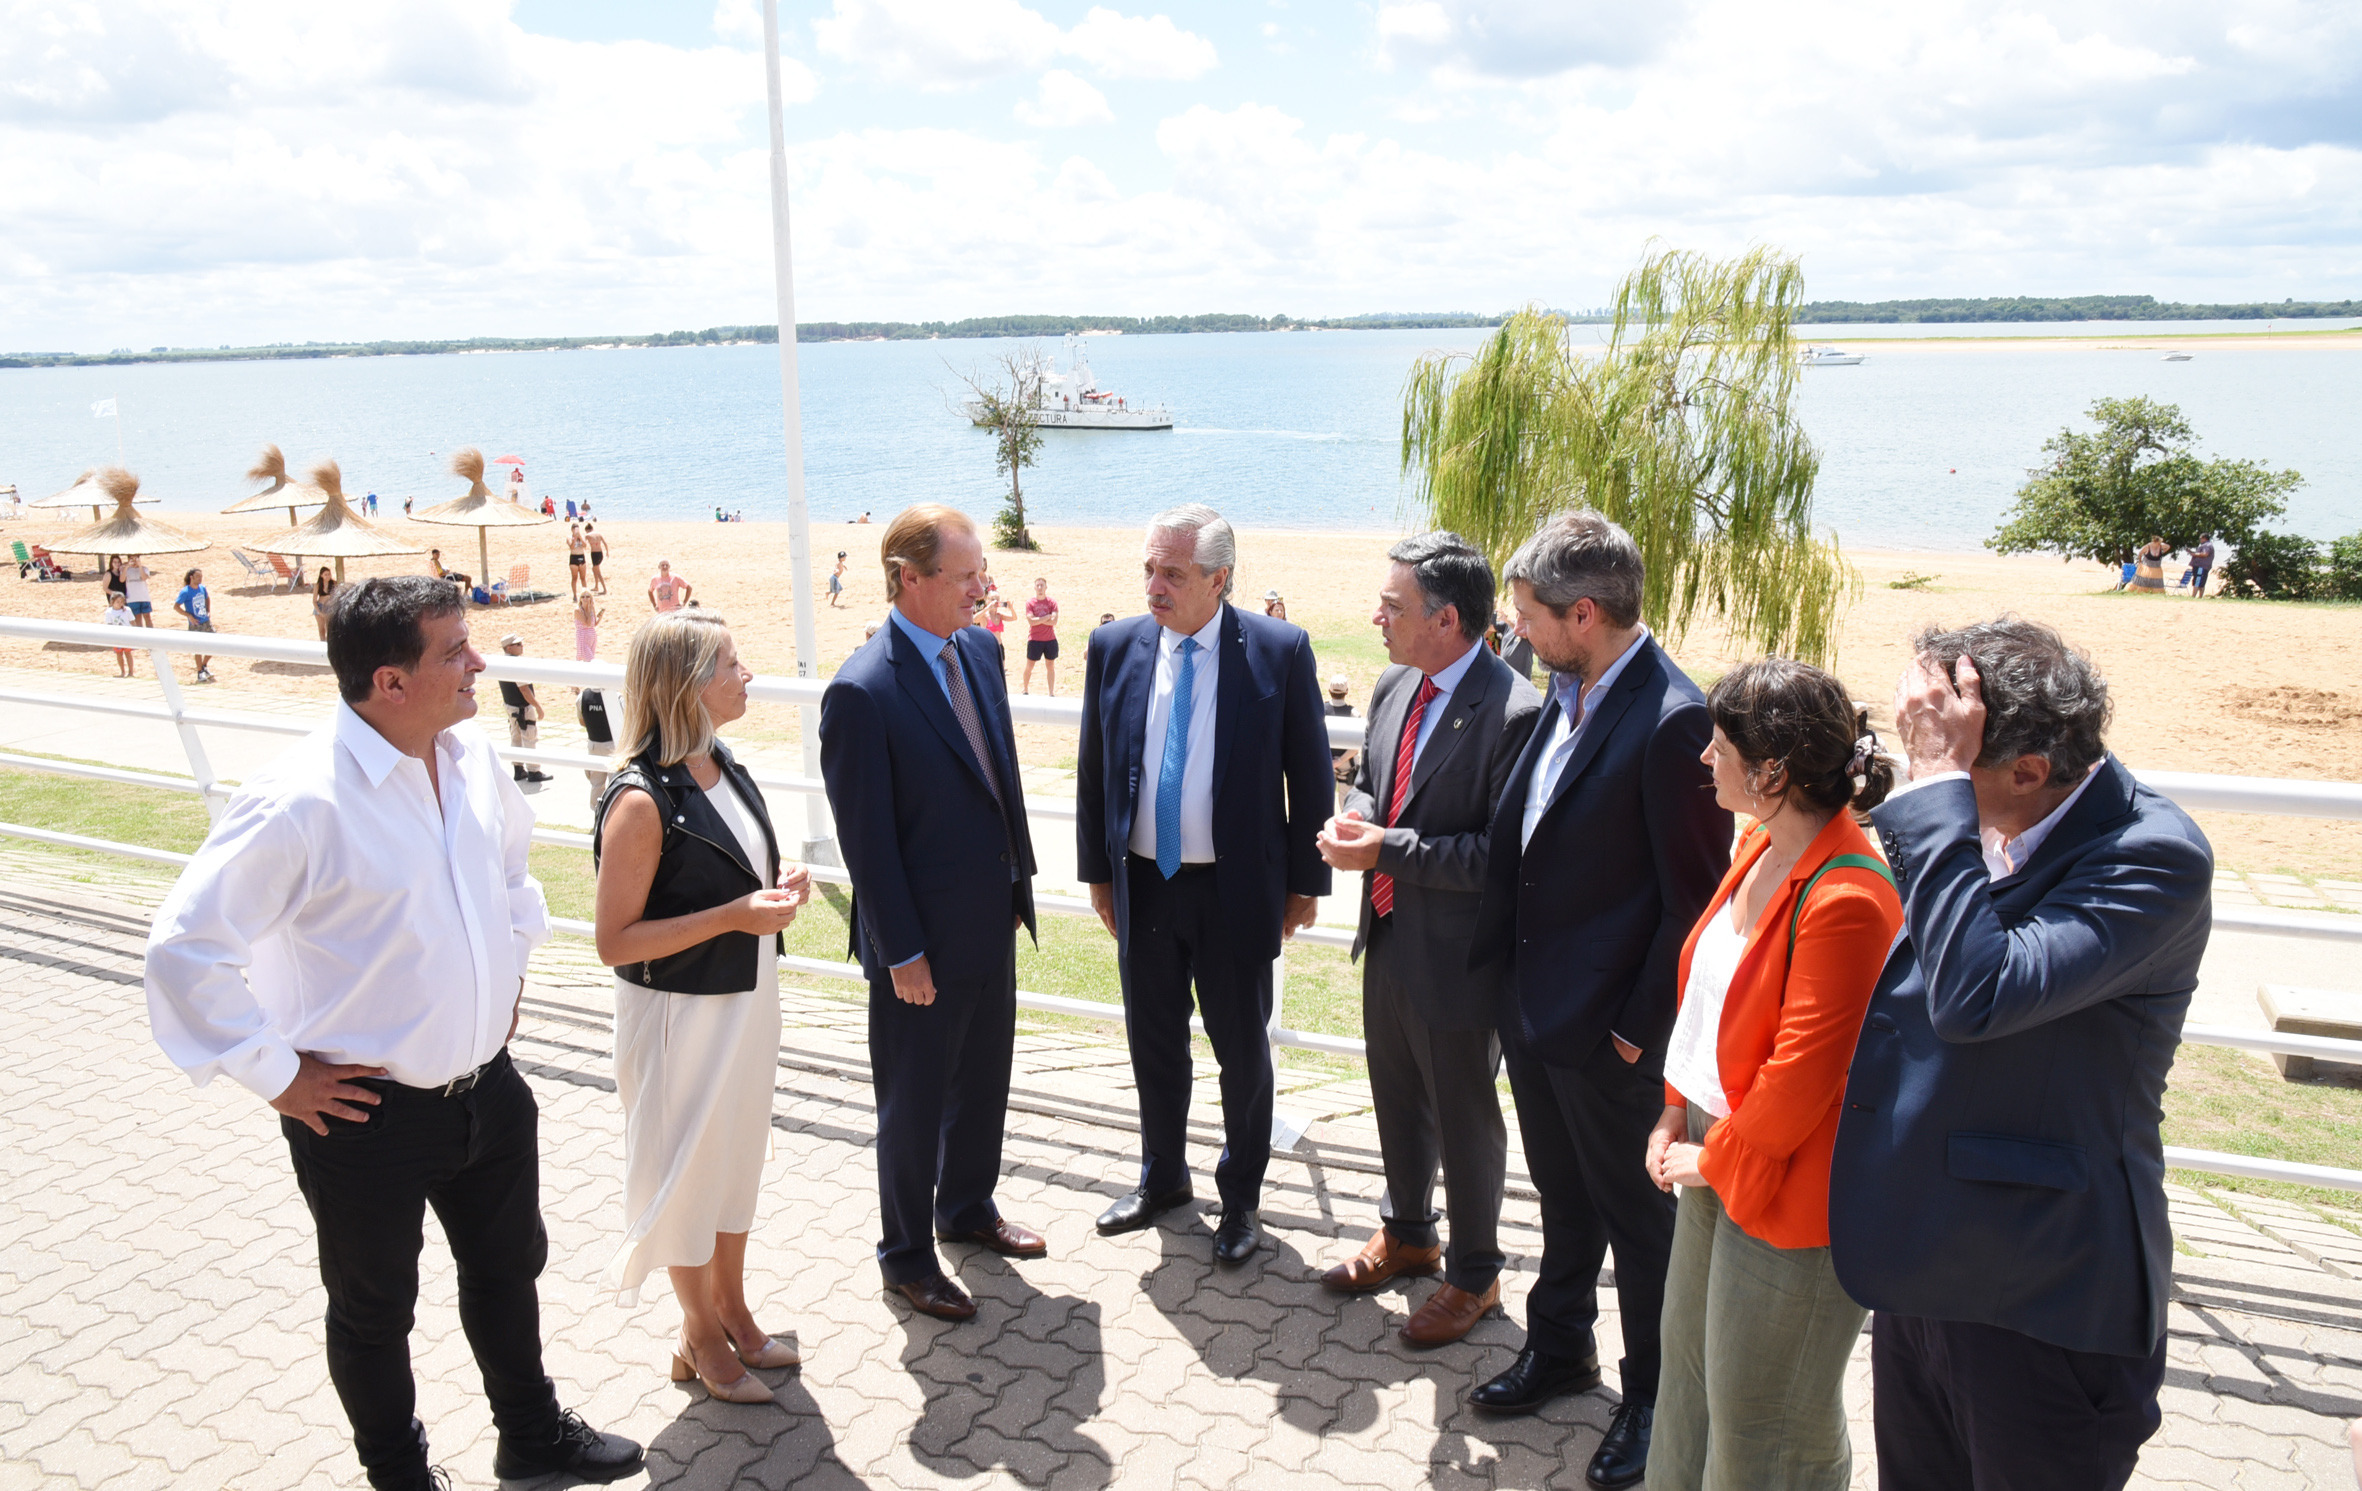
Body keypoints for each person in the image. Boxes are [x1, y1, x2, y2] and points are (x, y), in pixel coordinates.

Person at [143, 575, 644, 1491]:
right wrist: (277, 1075)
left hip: (488, 1090)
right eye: (454, 650)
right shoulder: (300, 800)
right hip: (363, 1115)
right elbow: (183, 948)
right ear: (388, 681)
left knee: (507, 1272)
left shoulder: (471, 758)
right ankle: (398, 1477)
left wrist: (510, 973)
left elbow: (510, 879)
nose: (478, 663)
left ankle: (529, 1436)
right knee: (374, 1312)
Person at [1828, 618, 2214, 1491]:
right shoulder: (2004, 815)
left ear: (2029, 771)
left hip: (2041, 1295)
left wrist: (1935, 795)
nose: (1917, 764)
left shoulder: (2152, 856)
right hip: (1927, 1263)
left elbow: (1977, 994)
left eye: (1944, 750)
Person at [1464, 511, 1730, 1490]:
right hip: (1534, 1016)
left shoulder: (1671, 722)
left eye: (1527, 615)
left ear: (1584, 614)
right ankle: (1561, 1349)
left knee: (1641, 1228)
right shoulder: (1563, 690)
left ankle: (1655, 1401)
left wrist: (1630, 1036)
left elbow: (1692, 903)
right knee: (1564, 1201)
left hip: (1609, 1036)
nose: (1515, 632)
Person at [1644, 658, 1903, 1491]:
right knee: (1686, 1383)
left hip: (1793, 1186)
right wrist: (1675, 1113)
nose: (1703, 760)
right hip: (1716, 1152)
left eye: (1719, 747)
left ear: (1773, 770)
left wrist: (1712, 1156)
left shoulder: (1850, 896)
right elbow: (1708, 996)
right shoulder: (1758, 842)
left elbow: (1801, 1074)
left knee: (1766, 1422)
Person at [1076, 504, 1333, 1264]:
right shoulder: (1115, 644)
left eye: (1173, 573)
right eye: (1150, 569)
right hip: (1144, 888)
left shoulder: (1279, 651)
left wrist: (1306, 881)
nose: (1155, 585)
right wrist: (1098, 872)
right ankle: (1163, 1178)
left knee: (1242, 1054)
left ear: (1220, 579)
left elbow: (1310, 774)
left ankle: (1242, 1199)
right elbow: (1094, 768)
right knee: (1153, 1042)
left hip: (1236, 892)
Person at [819, 504, 1046, 1323]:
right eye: (966, 576)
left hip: (991, 916)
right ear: (909, 579)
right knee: (912, 1106)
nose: (983, 589)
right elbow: (868, 847)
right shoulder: (861, 690)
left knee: (984, 1084)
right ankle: (907, 1254)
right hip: (918, 945)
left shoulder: (981, 650)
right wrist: (903, 951)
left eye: (982, 572)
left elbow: (999, 779)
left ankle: (968, 1208)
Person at [1316, 533, 1542, 1345]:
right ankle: (1409, 1232)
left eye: (1393, 606)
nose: (1376, 617)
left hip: (1460, 960)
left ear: (1446, 619)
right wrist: (1361, 816)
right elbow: (1380, 779)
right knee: (1397, 1096)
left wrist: (1384, 849)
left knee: (1463, 1115)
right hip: (1388, 937)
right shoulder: (1392, 681)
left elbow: (1496, 857)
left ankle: (1475, 1273)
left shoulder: (1516, 712)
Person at [593, 611, 812, 1404]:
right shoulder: (641, 801)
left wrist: (781, 881)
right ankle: (697, 1330)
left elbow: (736, 870)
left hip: (746, 1003)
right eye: (730, 661)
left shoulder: (722, 763)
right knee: (685, 1170)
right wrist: (730, 916)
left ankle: (734, 1313)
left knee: (735, 1161)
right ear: (689, 683)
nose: (747, 672)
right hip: (680, 1016)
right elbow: (614, 939)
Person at [497, 635, 552, 784]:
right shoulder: (516, 664)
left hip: (510, 706)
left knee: (516, 736)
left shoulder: (501, 662)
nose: (522, 646)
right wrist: (538, 706)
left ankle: (518, 769)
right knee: (529, 738)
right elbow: (524, 690)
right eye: (518, 644)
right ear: (509, 648)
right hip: (522, 707)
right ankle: (533, 770)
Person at [173, 567, 216, 682]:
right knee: (198, 648)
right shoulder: (185, 591)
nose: (200, 579)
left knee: (214, 644)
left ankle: (204, 665)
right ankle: (200, 672)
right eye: (198, 577)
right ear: (191, 577)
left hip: (206, 621)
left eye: (201, 577)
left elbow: (207, 599)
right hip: (195, 624)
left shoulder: (202, 588)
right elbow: (176, 607)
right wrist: (189, 616)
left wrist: (208, 610)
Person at [579, 686, 616, 814]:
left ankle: (596, 814)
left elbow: (582, 721)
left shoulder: (582, 697)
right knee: (615, 783)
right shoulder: (615, 697)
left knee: (596, 784)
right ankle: (612, 813)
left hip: (594, 745)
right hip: (613, 745)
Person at [1022, 577, 1060, 695]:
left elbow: (1054, 621)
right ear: (1034, 588)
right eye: (1037, 585)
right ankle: (1025, 689)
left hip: (1050, 639)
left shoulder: (1052, 602)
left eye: (1042, 585)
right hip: (1034, 639)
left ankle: (1051, 692)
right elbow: (1031, 622)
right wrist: (1046, 617)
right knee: (1030, 665)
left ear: (1046, 587)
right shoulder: (1030, 603)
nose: (1039, 588)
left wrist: (1038, 620)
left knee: (1050, 666)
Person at [1324, 675, 1360, 788]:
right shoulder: (1353, 713)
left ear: (1329, 690)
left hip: (1324, 761)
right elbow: (1356, 745)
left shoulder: (1320, 710)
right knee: (1347, 803)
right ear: (1347, 691)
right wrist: (1340, 760)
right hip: (1347, 764)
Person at [103, 588, 136, 676]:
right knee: (119, 653)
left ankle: (131, 672)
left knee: (128, 653)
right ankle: (122, 671)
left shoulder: (127, 610)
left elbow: (132, 621)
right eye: (118, 601)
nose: (120, 603)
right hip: (116, 636)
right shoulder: (109, 612)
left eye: (122, 601)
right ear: (112, 601)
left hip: (127, 635)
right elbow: (109, 624)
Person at [122, 554, 154, 627]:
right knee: (137, 618)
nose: (134, 561)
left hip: (144, 597)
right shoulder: (126, 570)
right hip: (132, 598)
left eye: (135, 559)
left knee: (147, 617)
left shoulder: (144, 569)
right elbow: (122, 579)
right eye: (131, 559)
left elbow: (144, 578)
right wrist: (127, 566)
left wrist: (139, 566)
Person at [574, 590, 604, 662]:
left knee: (590, 657)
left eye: (587, 597)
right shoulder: (578, 610)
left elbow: (593, 624)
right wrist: (589, 611)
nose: (585, 598)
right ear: (580, 599)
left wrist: (600, 618)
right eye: (583, 597)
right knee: (589, 659)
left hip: (592, 636)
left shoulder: (591, 608)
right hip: (582, 636)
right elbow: (587, 623)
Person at [313, 567, 339, 641]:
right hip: (320, 607)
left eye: (329, 574)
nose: (328, 576)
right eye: (325, 574)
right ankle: (322, 643)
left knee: (329, 628)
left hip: (329, 606)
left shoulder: (334, 583)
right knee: (321, 629)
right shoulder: (318, 585)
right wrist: (319, 612)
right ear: (321, 575)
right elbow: (314, 601)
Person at [2188, 533, 2216, 598]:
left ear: (2204, 538)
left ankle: (2194, 596)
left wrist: (2194, 554)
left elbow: (2205, 554)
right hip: (2203, 566)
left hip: (2201, 566)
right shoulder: (2207, 545)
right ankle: (2199, 596)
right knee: (2201, 582)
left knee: (2198, 581)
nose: (2200, 540)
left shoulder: (2207, 545)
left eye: (2200, 538)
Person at [586, 523, 608, 594]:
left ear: (587, 530)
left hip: (594, 554)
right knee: (594, 569)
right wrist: (607, 552)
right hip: (600, 553)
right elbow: (605, 543)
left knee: (597, 571)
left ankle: (605, 589)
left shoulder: (588, 535)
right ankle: (596, 586)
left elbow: (582, 542)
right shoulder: (599, 534)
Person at [567, 523, 588, 600]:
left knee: (583, 578)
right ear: (572, 530)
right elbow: (572, 547)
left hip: (581, 557)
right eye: (574, 529)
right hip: (574, 557)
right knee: (574, 578)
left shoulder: (582, 536)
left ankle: (585, 594)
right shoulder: (569, 537)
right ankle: (575, 595)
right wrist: (574, 538)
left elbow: (585, 545)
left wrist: (580, 537)